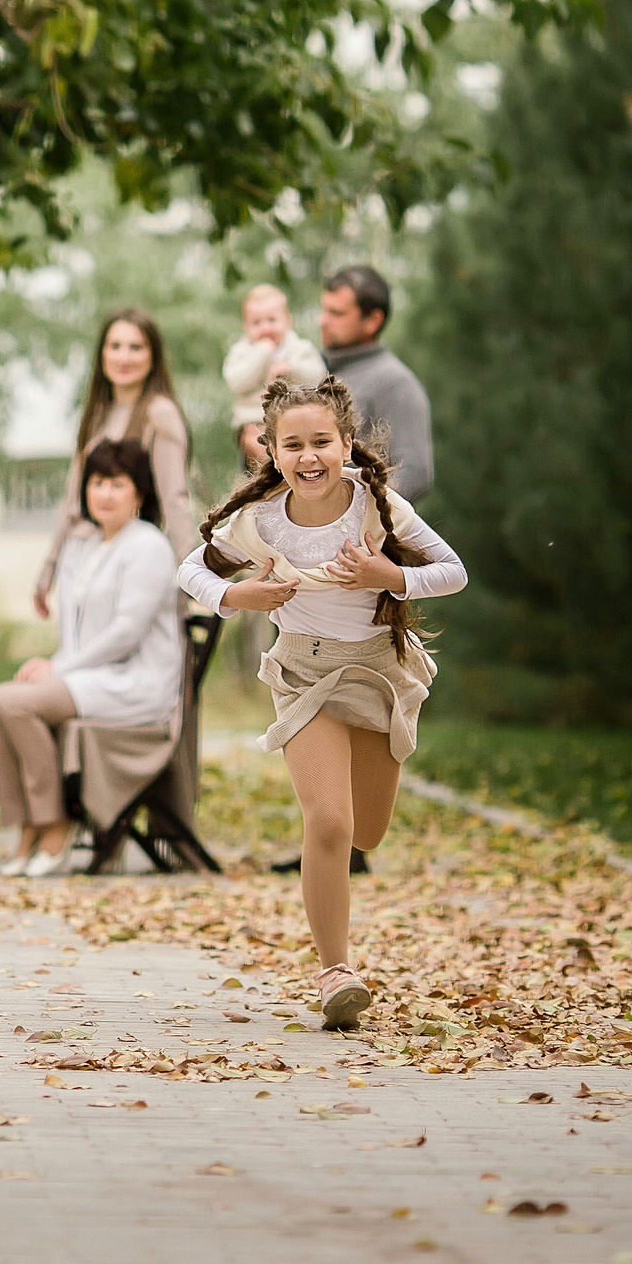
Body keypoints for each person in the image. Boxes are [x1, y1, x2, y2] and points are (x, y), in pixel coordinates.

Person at [178, 376, 468, 1029]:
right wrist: (237, 596)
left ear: (345, 444)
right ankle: (336, 972)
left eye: (321, 442)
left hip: (377, 672)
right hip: (304, 674)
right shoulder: (260, 518)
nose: (308, 457)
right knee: (329, 822)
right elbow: (189, 569)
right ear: (271, 451)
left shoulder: (375, 505)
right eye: (293, 445)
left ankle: (340, 933)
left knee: (367, 831)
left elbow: (453, 571)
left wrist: (390, 576)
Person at [0, 440, 183, 878]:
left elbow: (126, 633)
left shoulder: (148, 546)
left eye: (117, 484)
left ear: (139, 492)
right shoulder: (83, 545)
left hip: (133, 682)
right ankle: (28, 826)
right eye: (97, 482)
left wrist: (59, 669)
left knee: (13, 705)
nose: (105, 493)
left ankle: (55, 821)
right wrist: (55, 664)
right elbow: (76, 633)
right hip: (88, 677)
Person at [35, 309, 194, 619]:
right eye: (115, 346)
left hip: (132, 566)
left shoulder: (159, 414)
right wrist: (49, 569)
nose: (124, 357)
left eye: (136, 347)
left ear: (153, 356)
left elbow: (174, 500)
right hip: (82, 559)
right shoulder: (97, 414)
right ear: (102, 354)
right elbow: (72, 501)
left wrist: (191, 579)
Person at [319, 263, 434, 502]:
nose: (323, 321)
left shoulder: (395, 383)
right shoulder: (315, 372)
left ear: (373, 320)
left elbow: (414, 474)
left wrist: (356, 515)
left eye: (337, 313)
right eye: (325, 310)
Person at [222, 284, 329, 466]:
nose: (265, 328)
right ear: (245, 326)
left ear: (288, 321)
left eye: (271, 320)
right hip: (255, 421)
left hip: (297, 421)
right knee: (260, 467)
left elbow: (317, 376)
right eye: (256, 323)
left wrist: (291, 369)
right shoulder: (242, 352)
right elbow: (237, 382)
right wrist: (261, 354)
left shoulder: (300, 349)